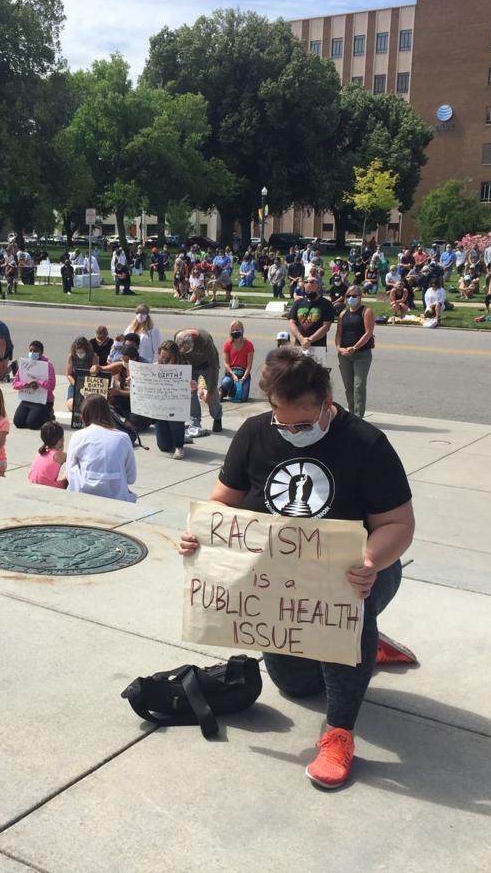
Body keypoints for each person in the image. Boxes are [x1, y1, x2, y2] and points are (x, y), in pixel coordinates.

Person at [177, 349, 416, 788]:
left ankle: (339, 733)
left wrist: (369, 561)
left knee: (345, 622)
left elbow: (399, 525)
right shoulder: (254, 433)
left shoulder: (366, 443)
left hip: (358, 577)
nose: (291, 433)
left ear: (327, 401)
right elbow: (221, 503)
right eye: (281, 422)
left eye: (303, 425)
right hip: (280, 585)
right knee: (295, 684)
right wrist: (201, 534)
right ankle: (370, 643)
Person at [65, 394, 137, 502]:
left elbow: (69, 471)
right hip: (116, 496)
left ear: (84, 416)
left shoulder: (78, 436)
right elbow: (131, 477)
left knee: (74, 469)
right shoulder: (123, 438)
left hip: (83, 493)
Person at [334, 286, 375, 418]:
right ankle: (351, 414)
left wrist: (355, 347)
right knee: (349, 386)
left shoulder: (366, 311)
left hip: (361, 354)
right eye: (349, 295)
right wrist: (339, 347)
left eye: (355, 295)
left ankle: (358, 416)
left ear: (360, 296)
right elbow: (338, 333)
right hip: (344, 355)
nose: (351, 298)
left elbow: (368, 333)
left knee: (359, 385)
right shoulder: (342, 314)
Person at [175, 327, 222, 438]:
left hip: (207, 365)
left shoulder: (205, 340)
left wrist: (209, 391)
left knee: (213, 394)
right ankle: (195, 422)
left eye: (188, 350)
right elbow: (178, 358)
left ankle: (217, 417)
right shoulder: (178, 336)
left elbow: (213, 367)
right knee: (190, 393)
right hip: (189, 366)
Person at [153, 340, 190, 459]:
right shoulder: (155, 366)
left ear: (173, 355)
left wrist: (192, 385)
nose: (163, 358)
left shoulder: (182, 367)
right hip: (161, 406)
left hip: (176, 406)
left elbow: (189, 384)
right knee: (164, 447)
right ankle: (177, 437)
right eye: (161, 355)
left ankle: (180, 446)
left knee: (176, 420)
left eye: (166, 357)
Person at [287, 276, 335, 366]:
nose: (309, 293)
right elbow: (292, 322)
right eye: (307, 290)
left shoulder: (326, 304)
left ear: (318, 288)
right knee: (298, 373)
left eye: (312, 291)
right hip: (299, 345)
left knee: (316, 376)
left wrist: (310, 340)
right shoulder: (298, 303)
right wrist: (301, 339)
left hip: (318, 346)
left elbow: (326, 326)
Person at [12, 339, 55, 429]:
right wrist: (26, 384)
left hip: (43, 401)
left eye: (35, 351)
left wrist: (37, 382)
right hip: (28, 398)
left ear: (41, 352)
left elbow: (51, 386)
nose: (32, 352)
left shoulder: (48, 366)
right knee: (18, 423)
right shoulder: (24, 365)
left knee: (33, 424)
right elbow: (15, 384)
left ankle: (49, 415)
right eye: (30, 350)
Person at [220, 321, 255, 403]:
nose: (235, 331)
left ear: (242, 330)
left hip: (243, 373)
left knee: (243, 398)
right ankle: (224, 390)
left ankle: (233, 391)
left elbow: (249, 365)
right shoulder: (227, 344)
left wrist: (243, 378)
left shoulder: (249, 345)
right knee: (226, 382)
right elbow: (226, 363)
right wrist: (233, 375)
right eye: (233, 330)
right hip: (231, 372)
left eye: (237, 329)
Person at [28, 420, 68, 489]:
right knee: (68, 475)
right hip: (48, 488)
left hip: (33, 483)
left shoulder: (41, 451)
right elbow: (74, 458)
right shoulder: (58, 455)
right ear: (61, 439)